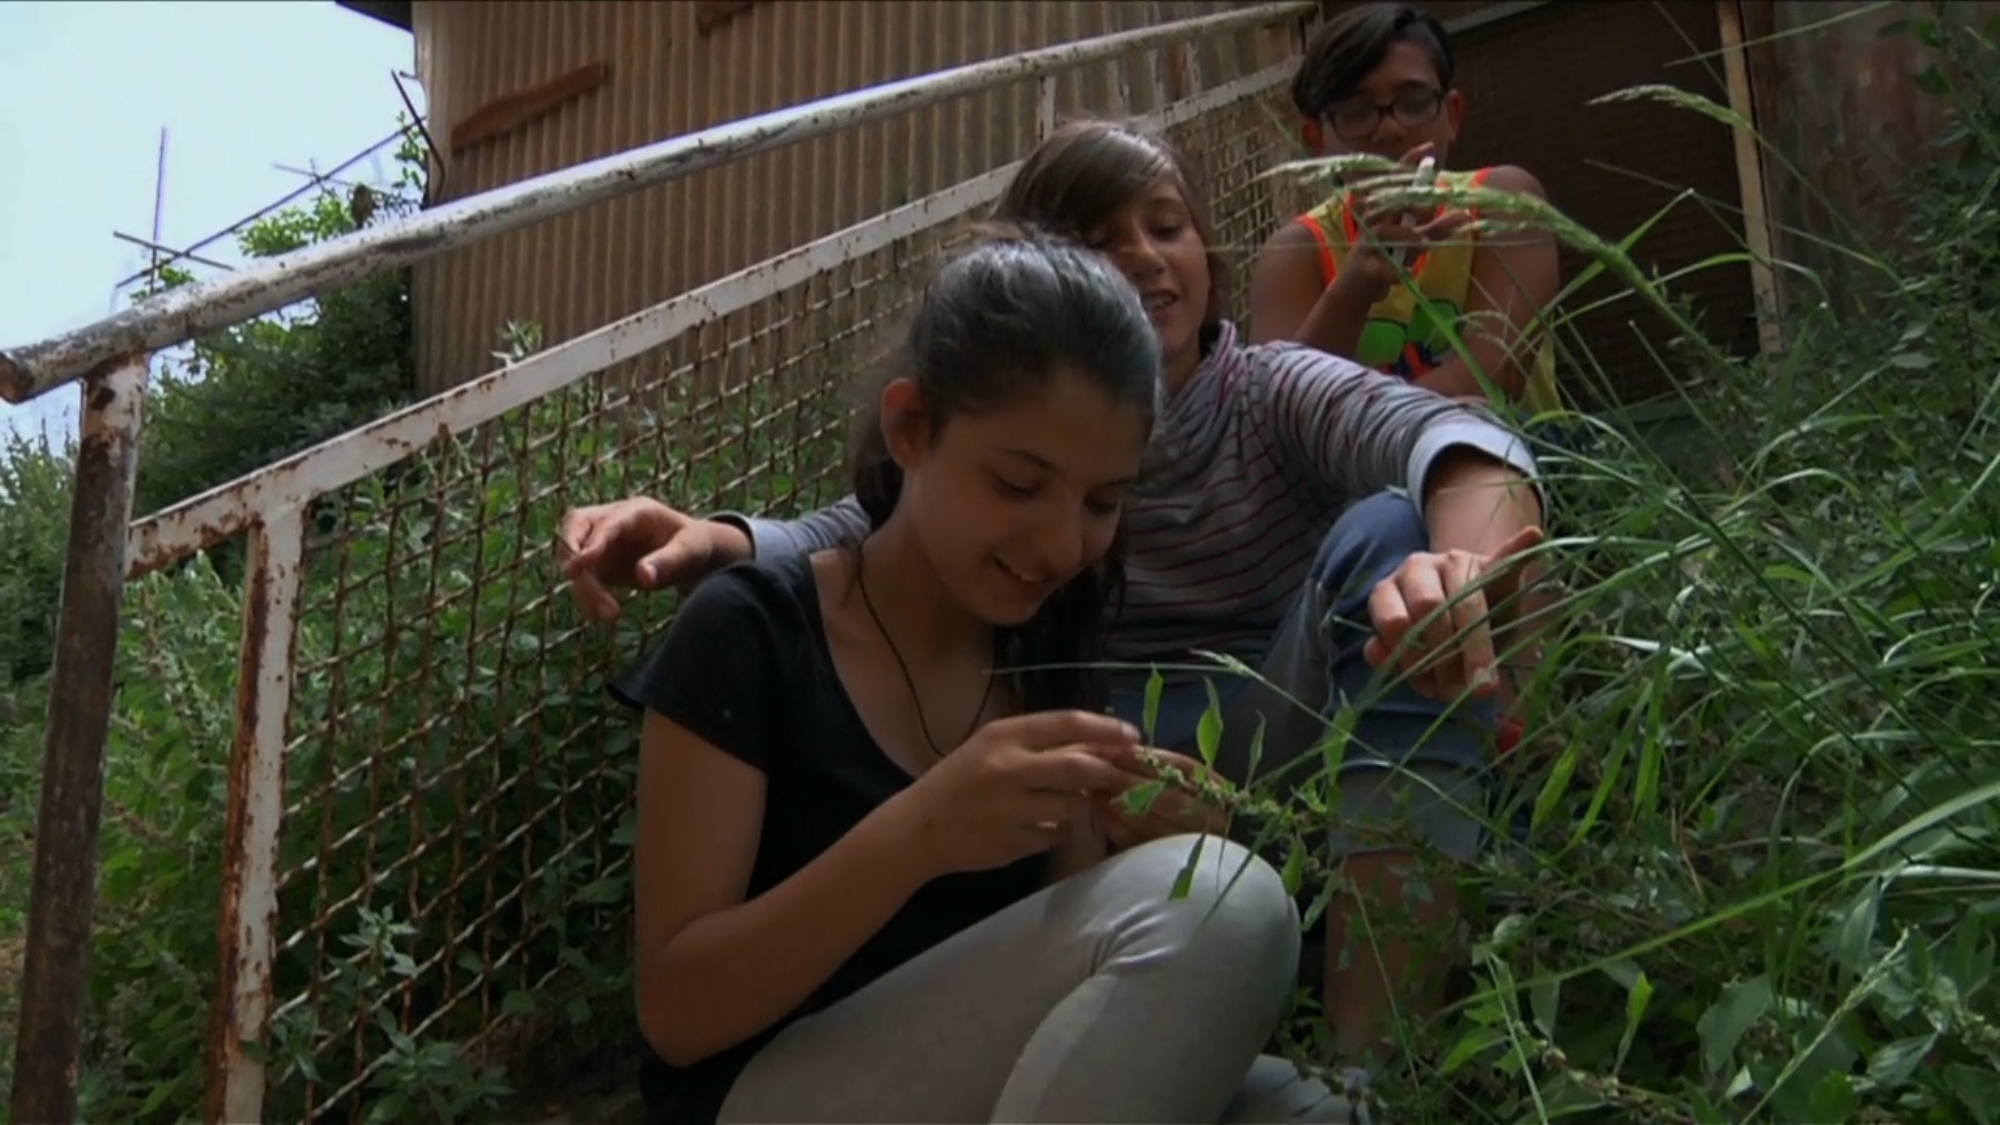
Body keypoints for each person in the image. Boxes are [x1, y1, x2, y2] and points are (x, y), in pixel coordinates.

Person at [565, 120, 1550, 1076]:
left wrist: (1453, 574)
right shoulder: (917, 590)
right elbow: (867, 529)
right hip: (1071, 800)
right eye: (1095, 240)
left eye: (1164, 225)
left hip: (1267, 736)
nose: (1142, 260)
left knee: (1390, 534)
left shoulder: (1251, 408)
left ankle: (1381, 1060)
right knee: (1212, 912)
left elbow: (1462, 446)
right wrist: (717, 541)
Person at [608, 228, 1359, 1125]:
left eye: (1100, 502)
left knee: (1309, 1109)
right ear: (911, 428)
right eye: (1017, 483)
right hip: (761, 1094)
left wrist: (1142, 839)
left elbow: (1058, 967)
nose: (1059, 545)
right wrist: (923, 830)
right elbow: (679, 1014)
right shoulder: (749, 630)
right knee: (1229, 909)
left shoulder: (1045, 642)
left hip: (974, 1083)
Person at [1248, 3, 1561, 417]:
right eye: (1355, 112)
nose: (1390, 129)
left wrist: (1354, 421)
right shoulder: (1298, 251)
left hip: (1518, 459)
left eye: (1413, 103)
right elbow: (1278, 413)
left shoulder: (1503, 201)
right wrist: (1355, 287)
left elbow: (1495, 373)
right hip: (1363, 481)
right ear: (1315, 138)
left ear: (1452, 115)